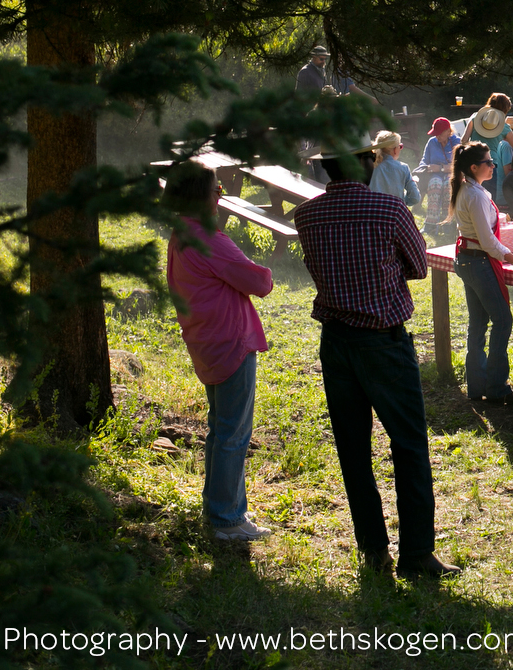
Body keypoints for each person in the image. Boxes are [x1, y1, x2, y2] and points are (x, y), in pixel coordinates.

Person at [293, 141, 458, 578]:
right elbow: (420, 267)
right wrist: (384, 269)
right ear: (366, 164)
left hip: (337, 342)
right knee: (408, 444)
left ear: (327, 170)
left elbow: (317, 267)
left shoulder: (306, 216)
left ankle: (373, 549)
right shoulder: (389, 210)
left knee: (353, 449)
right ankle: (418, 554)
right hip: (383, 341)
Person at [164, 162, 275, 541]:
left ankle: (221, 508)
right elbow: (258, 282)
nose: (220, 196)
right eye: (216, 190)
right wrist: (264, 269)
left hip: (207, 341)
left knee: (220, 430)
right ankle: (226, 520)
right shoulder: (209, 237)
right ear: (200, 196)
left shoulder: (181, 234)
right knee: (233, 433)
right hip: (231, 343)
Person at [449, 141, 513, 404]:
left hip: (469, 260)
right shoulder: (473, 194)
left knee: (478, 323)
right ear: (474, 167)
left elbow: (480, 231)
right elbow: (486, 241)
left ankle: (477, 385)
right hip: (478, 262)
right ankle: (496, 387)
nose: (493, 165)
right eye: (488, 162)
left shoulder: (471, 190)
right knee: (502, 320)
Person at [420, 117, 461, 237]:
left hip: (451, 175)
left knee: (449, 187)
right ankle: (431, 225)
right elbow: (424, 161)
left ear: (449, 132)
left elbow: (460, 165)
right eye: (435, 133)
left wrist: (442, 168)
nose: (437, 136)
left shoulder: (457, 142)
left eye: (439, 133)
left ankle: (447, 224)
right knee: (435, 185)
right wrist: (426, 167)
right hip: (435, 175)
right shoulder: (432, 142)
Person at [368, 130, 421, 208]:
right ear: (395, 150)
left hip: (373, 213)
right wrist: (402, 201)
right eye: (400, 146)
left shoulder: (369, 166)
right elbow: (415, 197)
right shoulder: (403, 168)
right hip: (395, 215)